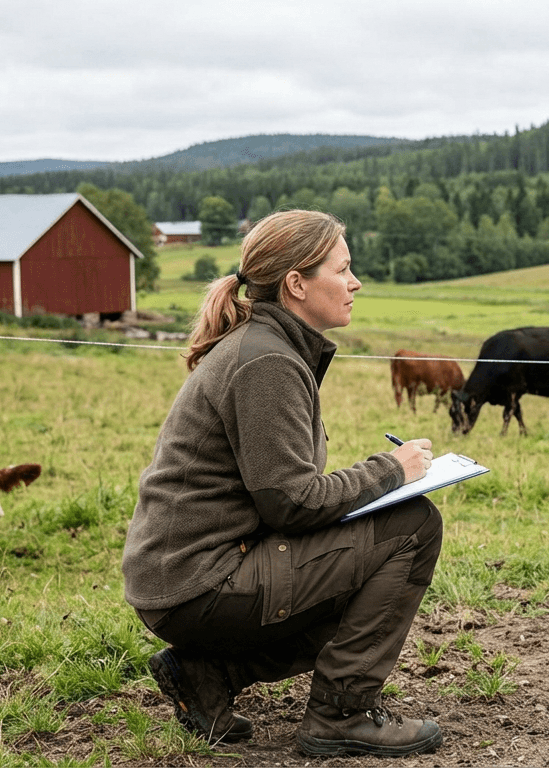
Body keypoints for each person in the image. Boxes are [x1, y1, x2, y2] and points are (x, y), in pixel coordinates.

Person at [121, 209, 445, 756]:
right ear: (296, 283)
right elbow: (292, 504)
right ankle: (342, 713)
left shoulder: (268, 346)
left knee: (364, 552)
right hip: (198, 582)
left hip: (186, 577)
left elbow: (286, 496)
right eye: (342, 269)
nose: (355, 282)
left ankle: (208, 674)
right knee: (411, 527)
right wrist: (394, 470)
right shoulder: (266, 361)